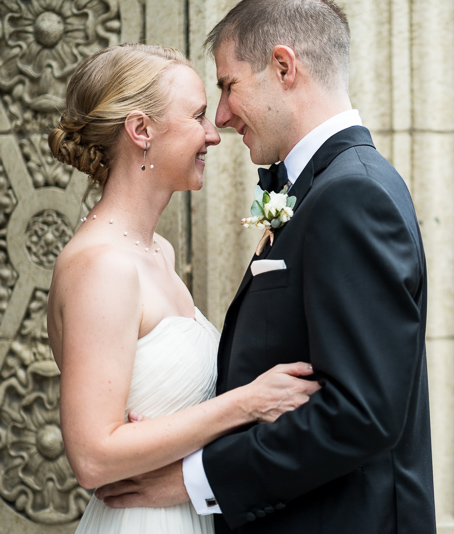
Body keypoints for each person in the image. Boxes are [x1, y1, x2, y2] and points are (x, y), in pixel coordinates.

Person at [95, 0, 436, 532]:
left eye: (229, 86)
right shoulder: (329, 187)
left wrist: (194, 479)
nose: (222, 118)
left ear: (284, 67)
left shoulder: (350, 195)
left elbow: (362, 414)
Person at [47, 43, 320, 534]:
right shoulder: (101, 267)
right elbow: (92, 456)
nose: (214, 134)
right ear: (141, 130)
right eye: (197, 115)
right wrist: (248, 402)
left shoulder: (160, 254)